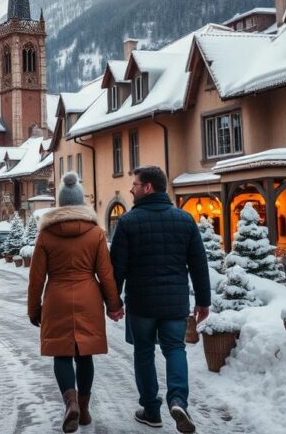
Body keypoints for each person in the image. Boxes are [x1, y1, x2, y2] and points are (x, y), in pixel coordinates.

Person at [111, 166, 210, 434]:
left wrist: (114, 302)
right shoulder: (185, 219)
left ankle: (151, 411)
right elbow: (199, 264)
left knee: (143, 352)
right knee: (175, 349)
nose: (131, 189)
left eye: (135, 184)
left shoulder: (128, 222)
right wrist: (203, 301)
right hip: (175, 303)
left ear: (148, 187)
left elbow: (116, 268)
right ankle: (178, 400)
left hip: (141, 304)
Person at [29, 172, 124, 433]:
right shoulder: (95, 233)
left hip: (57, 296)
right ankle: (83, 409)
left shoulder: (46, 235)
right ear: (81, 202)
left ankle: (70, 402)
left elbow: (36, 277)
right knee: (84, 356)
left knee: (61, 354)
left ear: (60, 204)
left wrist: (33, 308)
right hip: (88, 297)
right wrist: (114, 304)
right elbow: (106, 274)